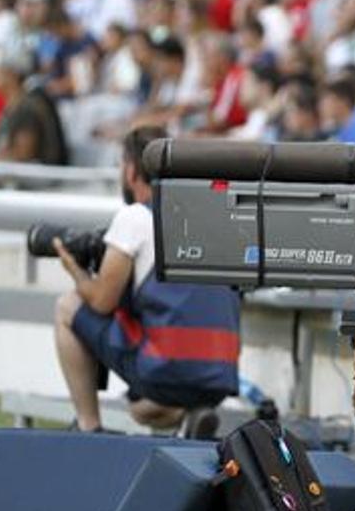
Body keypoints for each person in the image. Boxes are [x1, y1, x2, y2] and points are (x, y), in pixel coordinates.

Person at [52, 125, 241, 434]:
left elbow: (101, 302)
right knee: (141, 410)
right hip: (221, 375)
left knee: (67, 306)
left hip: (164, 370)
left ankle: (88, 425)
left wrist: (74, 269)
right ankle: (190, 416)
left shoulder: (135, 217)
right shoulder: (212, 217)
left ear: (130, 170)